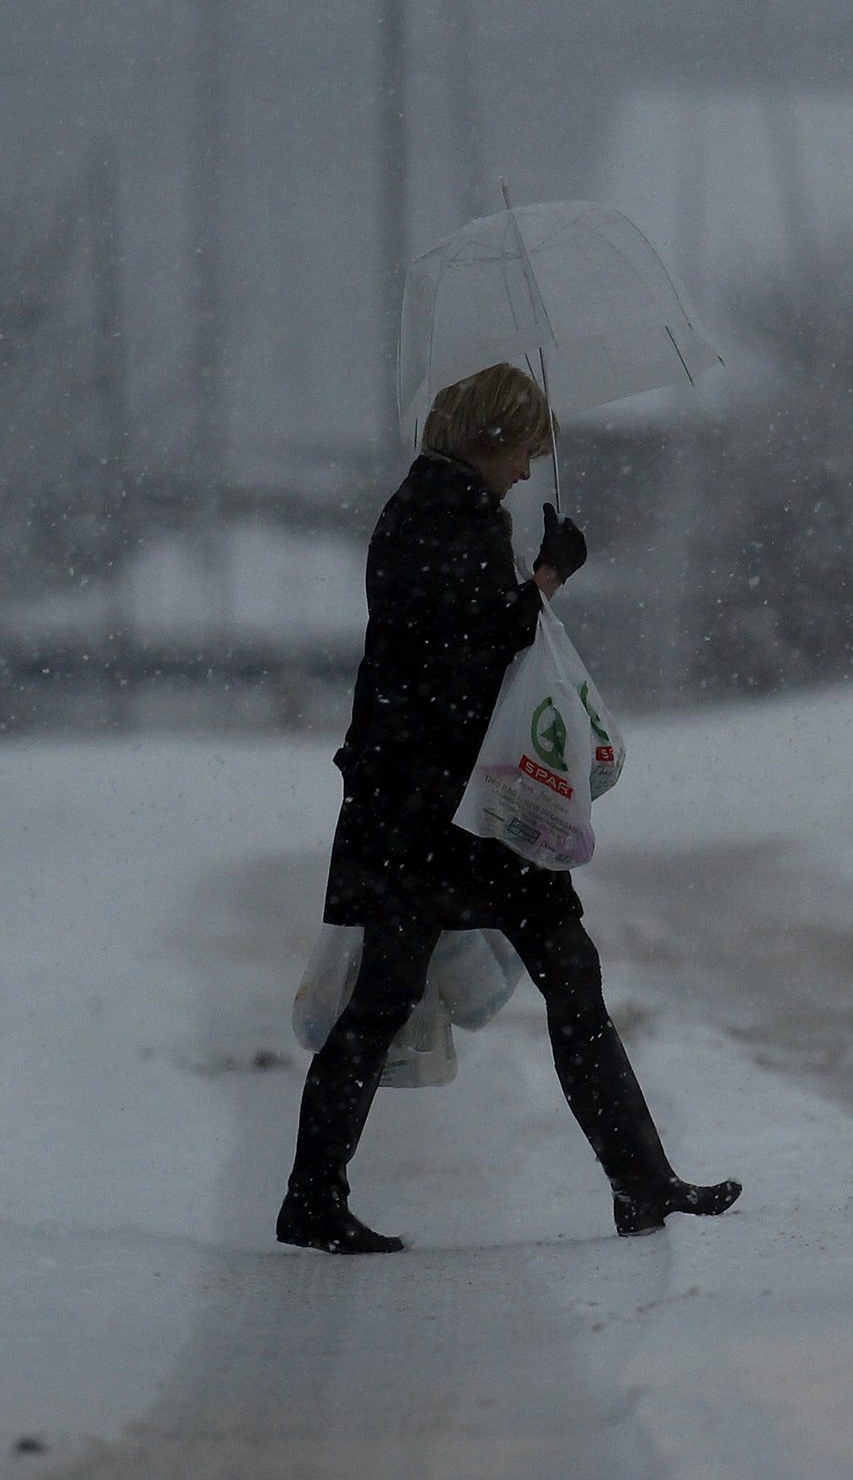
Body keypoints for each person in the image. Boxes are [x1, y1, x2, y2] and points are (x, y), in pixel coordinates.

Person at [278, 361, 740, 1254]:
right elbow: (467, 656)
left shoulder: (441, 511)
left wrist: (526, 580)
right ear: (491, 437)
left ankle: (642, 1182)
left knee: (559, 979)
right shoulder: (434, 516)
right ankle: (311, 1197)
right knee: (392, 1000)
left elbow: (459, 648)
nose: (530, 466)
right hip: (435, 812)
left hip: (446, 806)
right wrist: (547, 579)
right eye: (527, 446)